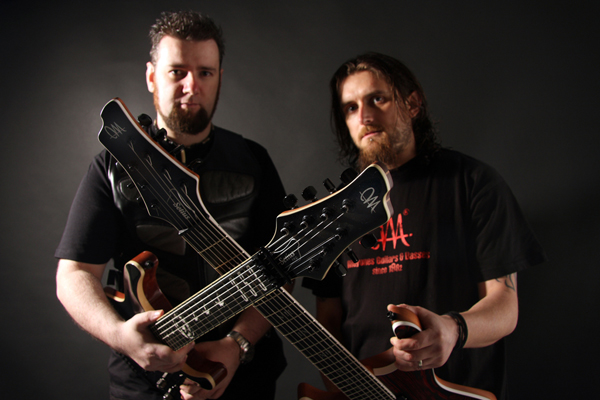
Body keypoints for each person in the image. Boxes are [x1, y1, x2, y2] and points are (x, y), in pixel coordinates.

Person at [55, 11, 287, 400]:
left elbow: (282, 270)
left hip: (245, 379)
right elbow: (74, 273)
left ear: (220, 79)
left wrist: (236, 345)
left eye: (205, 73)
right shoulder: (112, 165)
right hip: (144, 385)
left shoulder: (254, 160)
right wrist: (121, 337)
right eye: (177, 71)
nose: (191, 86)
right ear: (151, 76)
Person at [303, 52, 546, 399]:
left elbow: (504, 307)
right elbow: (328, 318)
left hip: (456, 390)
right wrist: (345, 385)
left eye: (378, 99)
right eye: (351, 108)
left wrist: (452, 329)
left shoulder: (473, 183)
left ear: (413, 104)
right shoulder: (333, 210)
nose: (365, 116)